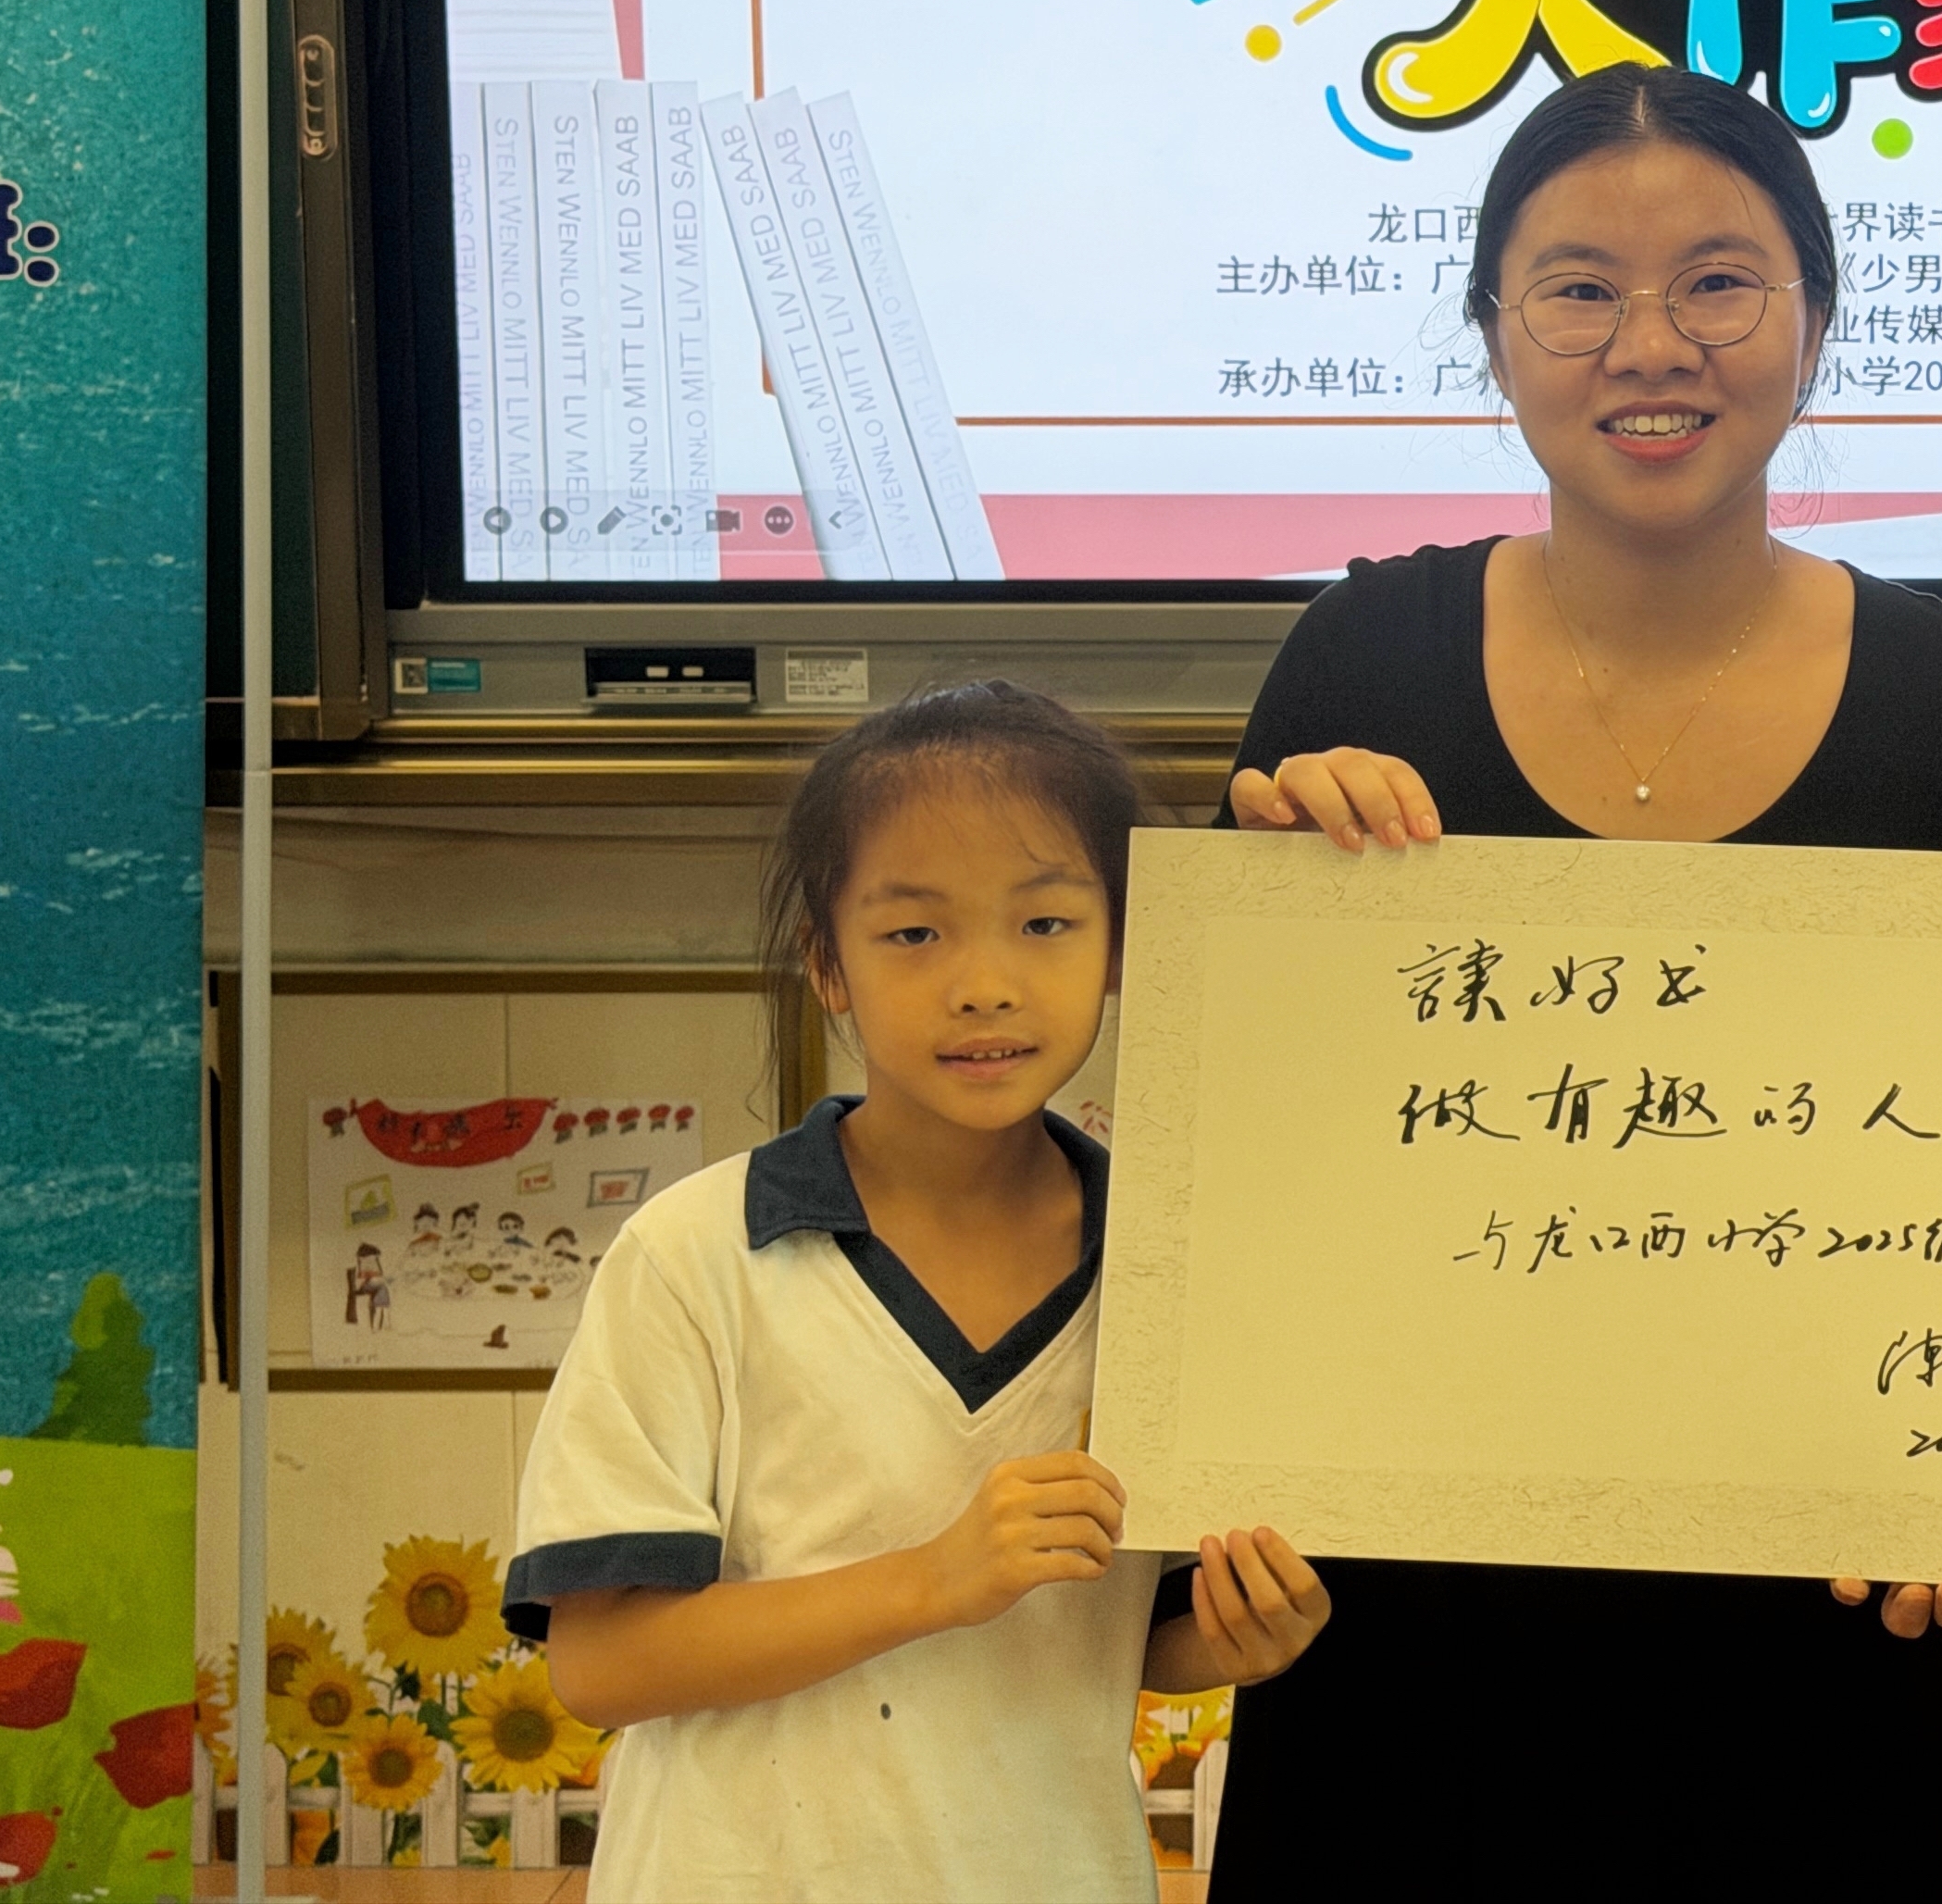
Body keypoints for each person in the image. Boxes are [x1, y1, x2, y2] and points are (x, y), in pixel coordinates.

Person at [1204, 61, 1942, 1901]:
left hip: (1809, 1628)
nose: (1653, 344)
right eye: (1579, 289)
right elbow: (1251, 1171)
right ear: (1493, 329)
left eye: (1719, 282)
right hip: (1403, 1629)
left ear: (1814, 318)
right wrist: (1254, 916)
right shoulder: (1355, 661)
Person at [504, 681, 1333, 1898]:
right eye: (914, 934)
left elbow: (1130, 1636)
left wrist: (1238, 1636)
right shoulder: (695, 1255)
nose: (985, 983)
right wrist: (934, 1580)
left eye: (1044, 923)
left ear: (1121, 947)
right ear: (827, 964)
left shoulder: (1176, 1264)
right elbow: (601, 1663)